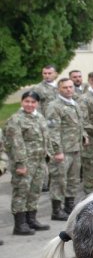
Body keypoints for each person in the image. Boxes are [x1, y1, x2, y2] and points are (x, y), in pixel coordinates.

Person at [5, 91, 52, 237]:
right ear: (21, 102)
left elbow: (46, 138)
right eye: (27, 101)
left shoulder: (39, 117)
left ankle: (31, 220)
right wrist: (20, 164)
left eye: (33, 102)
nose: (30, 105)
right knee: (21, 192)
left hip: (39, 161)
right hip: (24, 163)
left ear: (37, 103)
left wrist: (48, 155)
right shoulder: (16, 119)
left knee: (35, 191)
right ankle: (20, 225)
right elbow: (16, 143)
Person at [45, 77, 85, 221]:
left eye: (70, 87)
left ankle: (69, 206)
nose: (69, 90)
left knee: (73, 179)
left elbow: (79, 125)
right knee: (59, 180)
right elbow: (53, 130)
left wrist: (84, 136)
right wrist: (57, 151)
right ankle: (56, 210)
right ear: (58, 89)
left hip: (75, 148)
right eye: (65, 87)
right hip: (63, 150)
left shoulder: (74, 103)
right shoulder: (54, 106)